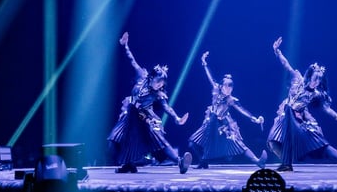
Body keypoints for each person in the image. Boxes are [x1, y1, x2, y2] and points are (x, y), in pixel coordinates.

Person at [267, 36, 337, 172]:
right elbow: (286, 65)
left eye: (319, 80)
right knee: (273, 142)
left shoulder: (315, 93)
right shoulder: (297, 79)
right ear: (310, 76)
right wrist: (277, 51)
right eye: (315, 79)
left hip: (297, 121)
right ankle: (287, 163)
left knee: (319, 142)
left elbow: (326, 108)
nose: (317, 82)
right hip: (285, 117)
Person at [107, 32, 192, 174]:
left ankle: (180, 162)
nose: (160, 85)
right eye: (158, 81)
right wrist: (125, 45)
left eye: (162, 83)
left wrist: (176, 118)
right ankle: (128, 164)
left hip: (143, 118)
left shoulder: (158, 94)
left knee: (158, 141)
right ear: (151, 77)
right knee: (115, 140)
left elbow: (167, 107)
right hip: (129, 115)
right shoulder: (142, 76)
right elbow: (132, 61)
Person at [187, 51, 268, 169]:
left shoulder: (231, 100)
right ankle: (203, 162)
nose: (229, 88)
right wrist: (204, 64)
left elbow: (242, 110)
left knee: (238, 145)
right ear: (221, 86)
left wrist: (253, 118)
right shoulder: (215, 90)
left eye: (231, 86)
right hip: (210, 123)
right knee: (191, 143)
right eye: (227, 85)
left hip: (222, 126)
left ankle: (258, 161)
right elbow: (210, 77)